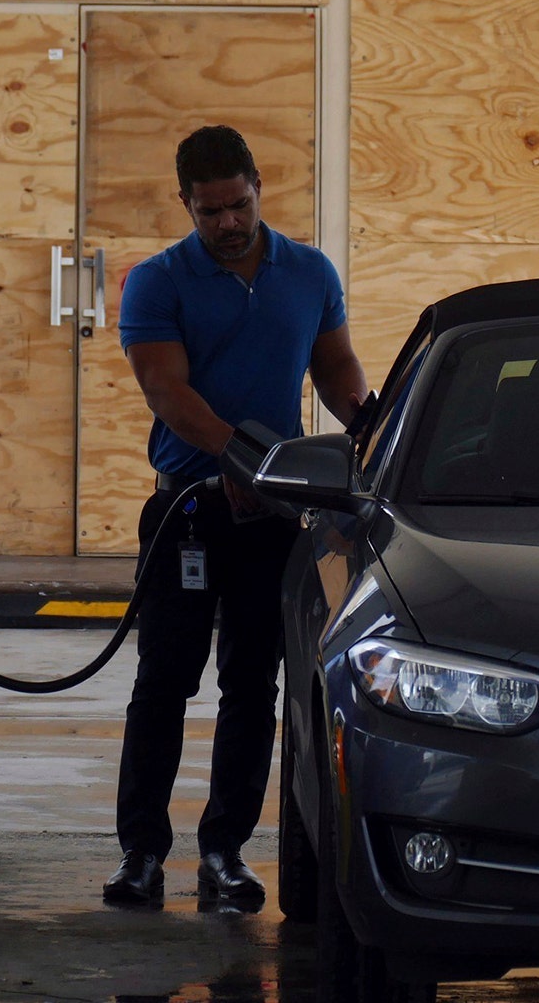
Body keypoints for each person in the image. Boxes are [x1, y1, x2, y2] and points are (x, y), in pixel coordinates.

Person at [103, 125, 368, 909]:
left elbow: (338, 371)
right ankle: (141, 856)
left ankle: (226, 854)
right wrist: (236, 457)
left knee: (253, 686)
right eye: (209, 211)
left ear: (259, 186)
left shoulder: (309, 274)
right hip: (187, 508)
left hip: (273, 517)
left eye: (239, 205)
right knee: (164, 682)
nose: (227, 224)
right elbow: (168, 393)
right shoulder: (158, 282)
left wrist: (376, 432)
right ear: (184, 202)